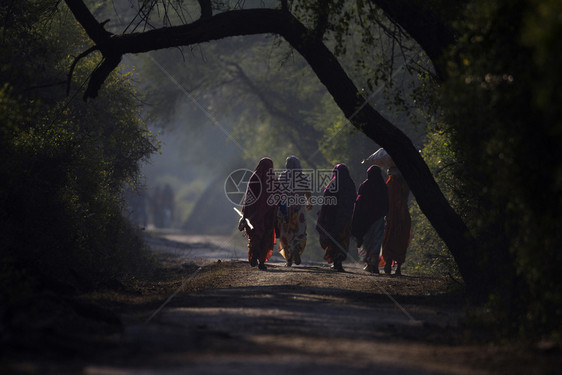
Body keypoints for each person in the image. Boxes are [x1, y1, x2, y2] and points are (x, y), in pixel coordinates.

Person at [316, 163, 357, 272]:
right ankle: (339, 258)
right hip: (345, 217)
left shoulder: (332, 184)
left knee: (333, 238)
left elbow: (326, 202)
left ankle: (335, 260)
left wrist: (322, 216)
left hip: (332, 218)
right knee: (343, 238)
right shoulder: (350, 184)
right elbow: (354, 199)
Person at [238, 157, 277, 271]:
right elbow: (278, 195)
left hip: (254, 214)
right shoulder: (272, 179)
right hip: (269, 214)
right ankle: (261, 262)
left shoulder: (254, 177)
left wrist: (246, 213)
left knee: (256, 235)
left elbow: (248, 196)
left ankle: (254, 256)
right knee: (266, 237)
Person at [351, 165, 389, 273]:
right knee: (376, 242)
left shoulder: (365, 185)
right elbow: (387, 203)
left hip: (366, 221)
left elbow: (359, 203)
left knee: (367, 243)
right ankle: (374, 264)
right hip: (378, 220)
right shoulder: (383, 186)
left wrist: (356, 219)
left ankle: (369, 264)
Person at [277, 156, 312, 267]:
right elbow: (307, 191)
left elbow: (278, 192)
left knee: (286, 235)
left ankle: (289, 259)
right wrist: (309, 202)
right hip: (299, 210)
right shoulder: (303, 177)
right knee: (300, 232)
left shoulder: (282, 176)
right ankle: (297, 247)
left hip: (285, 210)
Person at [381, 166, 411, 275]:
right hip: (403, 216)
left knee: (390, 239)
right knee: (401, 240)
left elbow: (386, 200)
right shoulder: (406, 183)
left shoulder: (391, 183)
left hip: (393, 216)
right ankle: (398, 268)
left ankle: (388, 263)